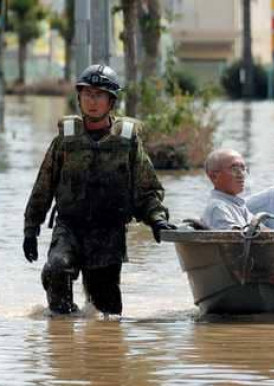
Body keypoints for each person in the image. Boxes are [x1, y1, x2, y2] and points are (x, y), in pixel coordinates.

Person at [22, 64, 175, 316]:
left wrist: (157, 221)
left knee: (106, 315)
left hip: (108, 233)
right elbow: (44, 186)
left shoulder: (127, 140)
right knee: (57, 269)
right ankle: (62, 335)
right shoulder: (65, 139)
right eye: (87, 94)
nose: (92, 101)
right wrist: (31, 229)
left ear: (111, 101)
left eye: (99, 95)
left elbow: (146, 188)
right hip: (69, 226)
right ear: (79, 97)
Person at [200, 148, 253, 230]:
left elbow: (262, 230)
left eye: (243, 169)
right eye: (235, 169)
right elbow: (234, 239)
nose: (241, 175)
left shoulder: (238, 204)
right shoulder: (218, 208)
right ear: (214, 176)